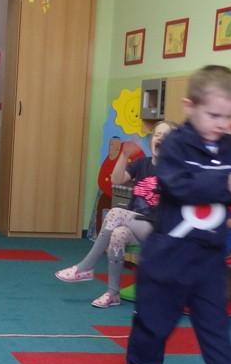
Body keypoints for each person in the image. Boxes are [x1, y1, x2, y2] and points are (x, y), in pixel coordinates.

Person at [120, 65, 231, 364]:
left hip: (208, 256)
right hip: (169, 255)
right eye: (213, 115)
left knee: (215, 326)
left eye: (228, 116)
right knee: (156, 321)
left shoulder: (227, 146)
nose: (221, 124)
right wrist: (226, 184)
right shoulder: (175, 144)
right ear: (190, 107)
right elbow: (176, 185)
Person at [55, 120, 176, 308]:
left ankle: (86, 266)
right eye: (157, 135)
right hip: (138, 226)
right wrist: (124, 155)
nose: (160, 138)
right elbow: (116, 180)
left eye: (166, 136)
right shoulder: (141, 164)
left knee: (116, 213)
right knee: (118, 234)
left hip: (159, 230)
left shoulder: (175, 170)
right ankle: (113, 294)